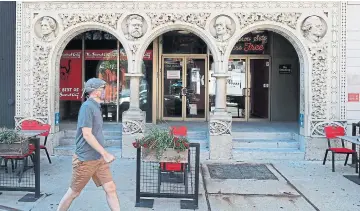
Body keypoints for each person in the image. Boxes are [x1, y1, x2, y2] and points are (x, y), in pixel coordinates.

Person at [57, 78, 120, 211]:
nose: (106, 91)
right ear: (96, 92)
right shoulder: (87, 107)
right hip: (85, 160)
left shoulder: (96, 106)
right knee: (73, 193)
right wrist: (105, 153)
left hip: (98, 159)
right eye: (103, 89)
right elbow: (87, 134)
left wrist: (102, 154)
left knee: (110, 188)